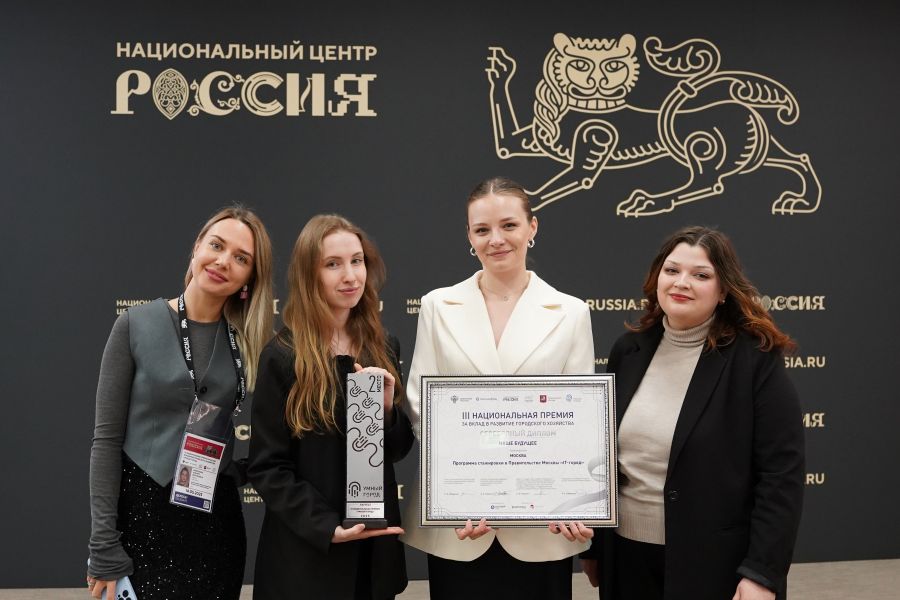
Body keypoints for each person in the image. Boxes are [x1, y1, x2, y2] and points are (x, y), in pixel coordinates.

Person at [581, 226, 804, 600]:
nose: (681, 282)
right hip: (626, 557)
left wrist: (762, 574)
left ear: (723, 290)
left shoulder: (754, 359)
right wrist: (595, 548)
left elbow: (781, 474)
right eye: (672, 270)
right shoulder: (628, 350)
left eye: (701, 275)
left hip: (714, 565)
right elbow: (601, 458)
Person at [400, 177, 595, 600]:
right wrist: (460, 489)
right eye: (482, 229)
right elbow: (420, 405)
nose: (496, 240)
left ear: (532, 227)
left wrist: (572, 498)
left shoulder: (571, 312)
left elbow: (580, 419)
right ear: (469, 236)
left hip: (542, 524)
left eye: (509, 225)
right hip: (460, 520)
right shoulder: (437, 306)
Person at [87, 206, 275, 600]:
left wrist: (238, 471)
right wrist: (103, 545)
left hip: (216, 530)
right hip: (141, 524)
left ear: (249, 279)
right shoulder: (134, 325)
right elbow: (106, 441)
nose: (223, 261)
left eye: (241, 258)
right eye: (217, 246)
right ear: (197, 248)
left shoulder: (248, 342)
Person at [248, 214, 414, 600]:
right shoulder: (282, 356)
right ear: (310, 275)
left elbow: (397, 450)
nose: (350, 276)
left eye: (357, 261)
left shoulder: (383, 345)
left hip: (373, 556)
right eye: (333, 264)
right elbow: (268, 467)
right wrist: (327, 527)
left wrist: (388, 413)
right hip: (307, 561)